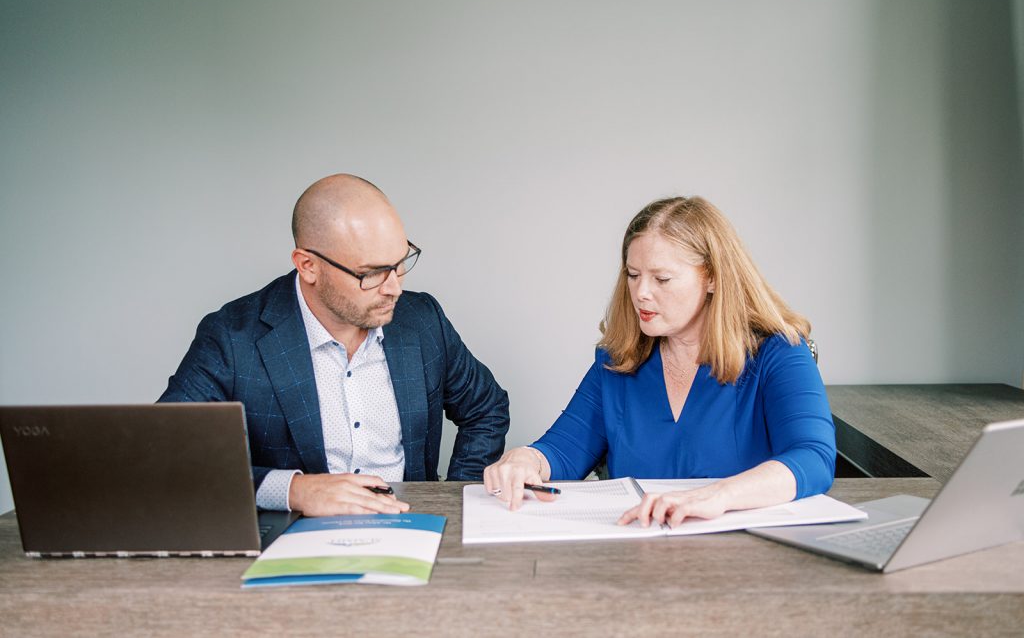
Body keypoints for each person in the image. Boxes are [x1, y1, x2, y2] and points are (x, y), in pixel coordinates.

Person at [160, 174, 509, 516]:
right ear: (308, 266)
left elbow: (486, 408)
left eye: (400, 263)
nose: (394, 288)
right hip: (294, 536)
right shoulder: (232, 338)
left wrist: (454, 500)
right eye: (371, 273)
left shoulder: (422, 319)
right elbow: (170, 455)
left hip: (411, 525)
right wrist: (293, 490)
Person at [484, 196, 835, 528]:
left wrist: (719, 495)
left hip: (745, 560)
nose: (641, 293)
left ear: (712, 277)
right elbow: (562, 452)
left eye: (661, 278)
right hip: (641, 556)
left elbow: (814, 458)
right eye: (633, 275)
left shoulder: (779, 352)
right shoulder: (618, 362)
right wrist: (527, 459)